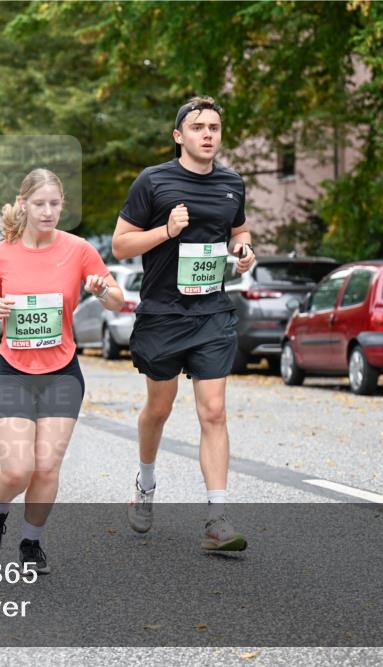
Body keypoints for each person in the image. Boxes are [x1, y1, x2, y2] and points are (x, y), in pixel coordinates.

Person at [111, 96, 256, 551]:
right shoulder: (152, 181)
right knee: (160, 407)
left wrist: (245, 251)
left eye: (214, 126)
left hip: (211, 311)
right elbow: (119, 246)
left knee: (213, 411)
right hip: (163, 313)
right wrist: (167, 232)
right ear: (179, 136)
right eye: (197, 127)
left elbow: (239, 230)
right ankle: (146, 484)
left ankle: (216, 518)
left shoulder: (232, 183)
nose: (207, 134)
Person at [0, 168, 124, 574]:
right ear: (23, 204)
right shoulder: (0, 252)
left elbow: (117, 299)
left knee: (45, 467)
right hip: (13, 371)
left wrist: (101, 290)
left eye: (55, 204)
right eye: (39, 204)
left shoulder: (77, 249)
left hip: (62, 372)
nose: (47, 212)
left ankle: (31, 542)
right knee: (16, 470)